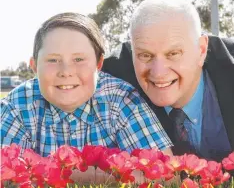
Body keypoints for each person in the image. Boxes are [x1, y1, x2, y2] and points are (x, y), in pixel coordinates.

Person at [0, 12, 173, 158]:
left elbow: (161, 172)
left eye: (79, 59)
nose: (66, 71)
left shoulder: (121, 100)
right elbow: (7, 179)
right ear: (34, 67)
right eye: (53, 60)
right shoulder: (17, 107)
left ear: (98, 64)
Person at [103, 0, 234, 162]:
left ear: (201, 50)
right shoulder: (110, 78)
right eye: (145, 55)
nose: (158, 72)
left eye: (173, 53)